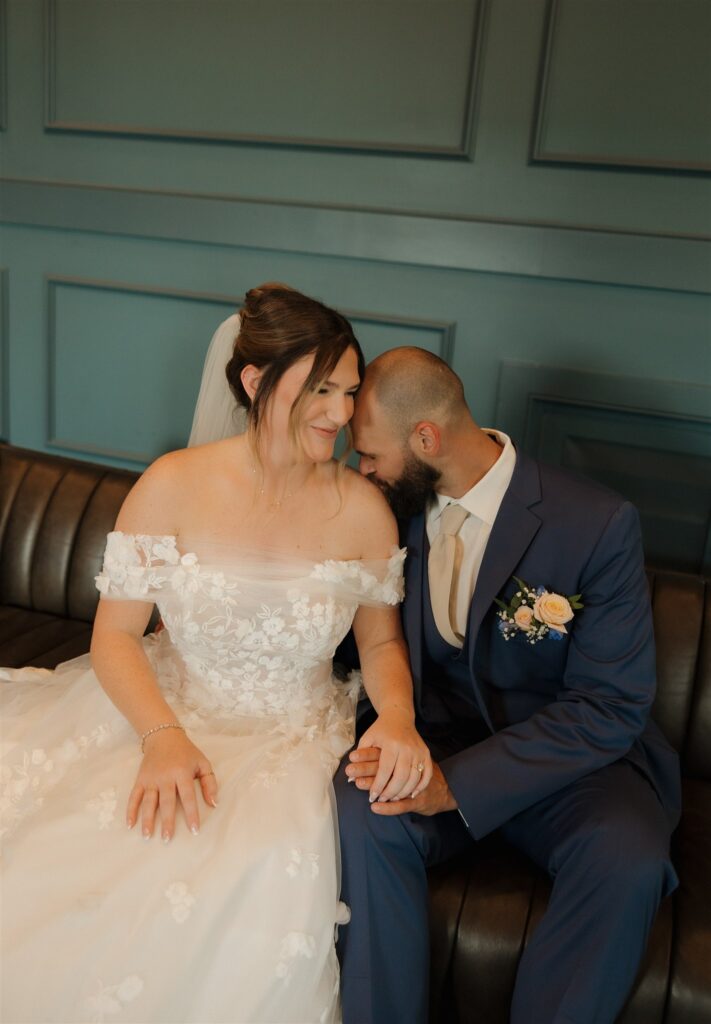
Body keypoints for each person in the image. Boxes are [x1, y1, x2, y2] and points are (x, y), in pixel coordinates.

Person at [0, 286, 432, 1024]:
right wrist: (161, 739)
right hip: (162, 716)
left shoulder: (363, 508)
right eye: (318, 390)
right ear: (255, 383)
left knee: (244, 867)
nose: (339, 413)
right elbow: (113, 637)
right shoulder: (173, 483)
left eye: (349, 391)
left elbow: (381, 640)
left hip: (287, 740)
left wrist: (395, 716)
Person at [334, 346, 681, 1024]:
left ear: (426, 438)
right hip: (429, 737)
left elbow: (609, 706)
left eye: (370, 453)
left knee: (628, 861)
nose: (360, 468)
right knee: (360, 813)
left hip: (567, 767)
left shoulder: (595, 523)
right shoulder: (381, 510)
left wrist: (457, 788)